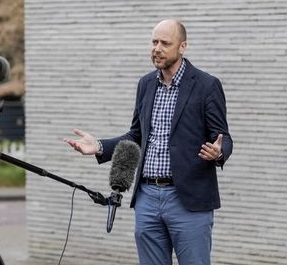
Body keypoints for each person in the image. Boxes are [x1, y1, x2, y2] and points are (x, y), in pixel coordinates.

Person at [66, 19, 233, 265]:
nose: (157, 48)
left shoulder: (207, 85)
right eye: (154, 41)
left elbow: (223, 136)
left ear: (182, 46)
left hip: (187, 199)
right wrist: (99, 146)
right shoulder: (146, 84)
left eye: (165, 43)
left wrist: (218, 153)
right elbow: (136, 136)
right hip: (147, 197)